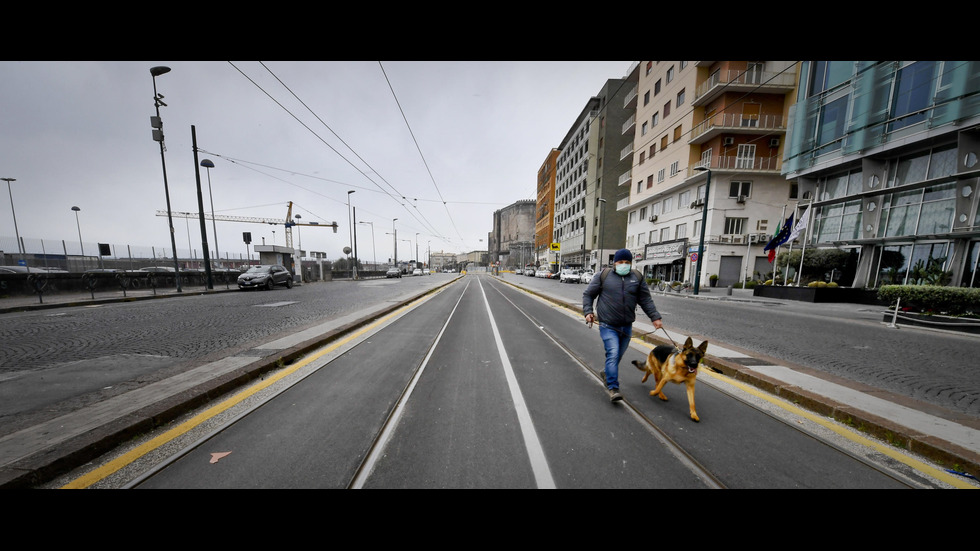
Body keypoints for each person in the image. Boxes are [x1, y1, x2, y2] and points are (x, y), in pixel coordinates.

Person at [582, 249, 663, 402]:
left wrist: (655, 317)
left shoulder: (637, 277)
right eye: (620, 262)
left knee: (617, 355)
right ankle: (613, 387)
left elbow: (645, 300)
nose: (624, 265)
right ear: (615, 263)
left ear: (631, 263)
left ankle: (607, 373)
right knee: (613, 353)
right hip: (608, 325)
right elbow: (588, 294)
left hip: (626, 326)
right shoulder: (603, 276)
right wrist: (588, 312)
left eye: (627, 263)